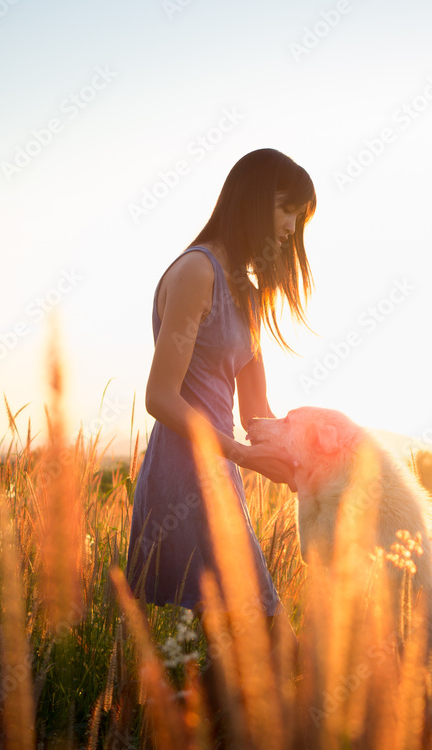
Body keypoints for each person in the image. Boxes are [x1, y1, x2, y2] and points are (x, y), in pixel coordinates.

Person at [126, 148, 316, 623]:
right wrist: (243, 456)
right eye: (286, 209)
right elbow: (160, 396)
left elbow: (255, 412)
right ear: (252, 200)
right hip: (183, 478)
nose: (291, 227)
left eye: (299, 217)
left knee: (234, 646)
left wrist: (314, 457)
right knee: (266, 636)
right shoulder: (197, 271)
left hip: (221, 472)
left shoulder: (247, 294)